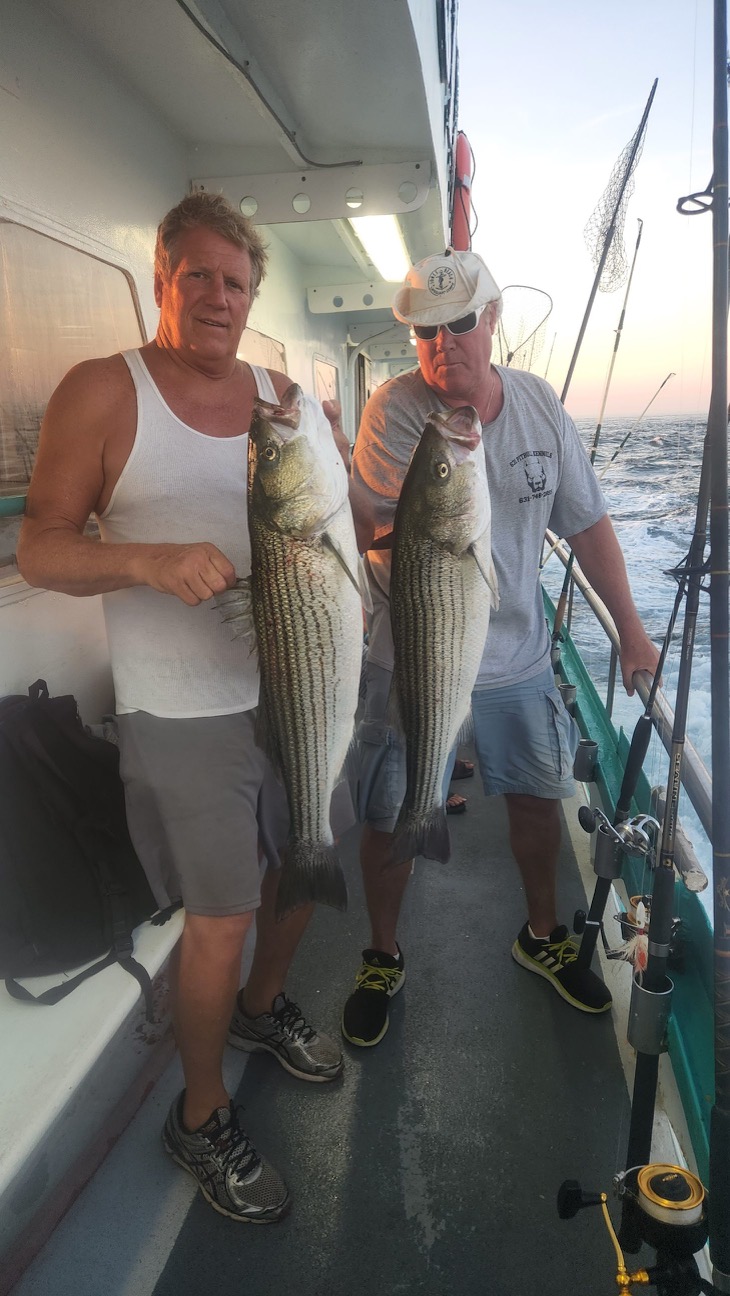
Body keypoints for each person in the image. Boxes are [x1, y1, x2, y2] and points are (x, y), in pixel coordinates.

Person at [17, 191, 346, 1224]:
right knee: (220, 918)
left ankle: (260, 1012)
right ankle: (199, 1118)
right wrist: (148, 560)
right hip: (179, 711)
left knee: (309, 856)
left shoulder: (284, 397)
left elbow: (345, 535)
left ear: (253, 297)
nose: (217, 297)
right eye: (195, 275)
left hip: (301, 684)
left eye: (235, 282)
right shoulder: (101, 391)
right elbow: (39, 544)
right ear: (161, 279)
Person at [341, 247, 661, 1048]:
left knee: (534, 800)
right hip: (413, 651)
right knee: (389, 809)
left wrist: (631, 628)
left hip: (516, 656)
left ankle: (542, 935)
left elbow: (585, 522)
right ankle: (383, 952)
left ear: (491, 320)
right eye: (424, 331)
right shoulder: (391, 411)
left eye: (459, 323)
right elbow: (372, 525)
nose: (443, 343)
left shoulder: (538, 405)